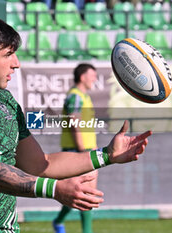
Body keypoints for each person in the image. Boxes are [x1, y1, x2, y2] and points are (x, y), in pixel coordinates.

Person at [0, 14, 151, 232]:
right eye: (8, 54)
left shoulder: (6, 101)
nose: (17, 63)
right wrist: (54, 188)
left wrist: (106, 155)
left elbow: (42, 165)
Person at [53, 63, 98, 233]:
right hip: (77, 151)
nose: (94, 78)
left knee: (84, 195)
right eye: (92, 75)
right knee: (85, 195)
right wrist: (82, 149)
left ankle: (58, 221)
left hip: (86, 150)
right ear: (82, 77)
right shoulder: (75, 96)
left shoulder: (84, 96)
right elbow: (74, 122)